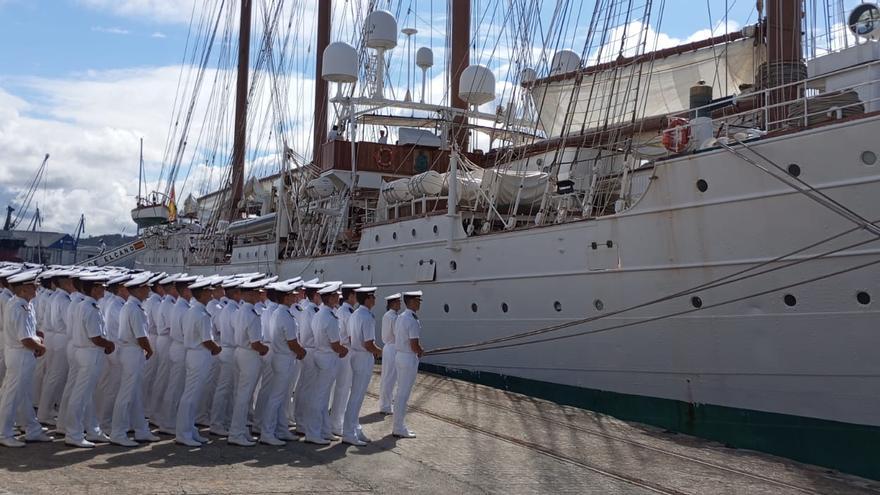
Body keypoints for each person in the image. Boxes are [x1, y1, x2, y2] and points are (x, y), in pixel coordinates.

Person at [0, 269, 52, 448]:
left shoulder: (23, 304)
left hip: (21, 354)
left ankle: (32, 429)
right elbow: (24, 339)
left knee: (23, 395)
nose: (36, 288)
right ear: (22, 289)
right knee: (12, 395)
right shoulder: (19, 307)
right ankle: (4, 433)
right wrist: (40, 347)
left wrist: (37, 337)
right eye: (32, 286)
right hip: (20, 355)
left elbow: (28, 332)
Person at [64, 274, 115, 448]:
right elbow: (95, 337)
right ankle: (73, 433)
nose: (104, 290)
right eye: (101, 287)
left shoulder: (82, 304)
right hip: (90, 353)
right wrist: (109, 344)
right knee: (81, 395)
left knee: (86, 395)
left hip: (84, 352)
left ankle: (93, 430)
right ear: (93, 289)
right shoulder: (91, 307)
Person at [110, 272, 159, 447]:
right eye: (146, 288)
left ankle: (141, 430)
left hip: (130, 351)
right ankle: (118, 432)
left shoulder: (131, 306)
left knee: (136, 394)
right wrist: (149, 350)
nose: (149, 291)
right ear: (138, 290)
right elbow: (141, 336)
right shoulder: (134, 308)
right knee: (126, 395)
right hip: (132, 352)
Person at [176, 278, 222, 447]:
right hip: (200, 354)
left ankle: (190, 429)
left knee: (192, 395)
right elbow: (206, 340)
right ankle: (183, 433)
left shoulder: (191, 311)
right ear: (202, 294)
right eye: (208, 291)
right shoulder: (201, 314)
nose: (211, 294)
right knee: (191, 396)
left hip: (193, 354)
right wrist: (217, 349)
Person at [260, 280, 306, 445]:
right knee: (276, 397)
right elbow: (292, 342)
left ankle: (280, 429)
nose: (295, 297)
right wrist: (303, 353)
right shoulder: (285, 315)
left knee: (281, 396)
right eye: (292, 295)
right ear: (285, 298)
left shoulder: (279, 312)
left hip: (281, 357)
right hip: (284, 358)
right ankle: (267, 432)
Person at [302, 282, 348, 445]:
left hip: (320, 354)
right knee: (320, 398)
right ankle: (313, 433)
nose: (338, 298)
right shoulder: (330, 318)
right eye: (336, 296)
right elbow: (335, 344)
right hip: (328, 357)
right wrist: (344, 351)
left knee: (322, 396)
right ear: (330, 298)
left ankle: (324, 429)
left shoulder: (319, 314)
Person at [228, 278, 269, 447]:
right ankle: (236, 432)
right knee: (244, 396)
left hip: (239, 352)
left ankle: (240, 429)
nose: (259, 295)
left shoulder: (238, 311)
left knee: (241, 394)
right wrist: (265, 350)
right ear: (250, 294)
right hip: (250, 355)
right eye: (257, 293)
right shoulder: (252, 314)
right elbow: (256, 343)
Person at [342, 287, 382, 446]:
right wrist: (380, 352)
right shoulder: (367, 317)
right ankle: (348, 433)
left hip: (355, 355)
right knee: (356, 396)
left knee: (356, 395)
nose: (375, 300)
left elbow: (352, 338)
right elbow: (369, 344)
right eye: (373, 297)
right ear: (367, 299)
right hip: (364, 357)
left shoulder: (355, 314)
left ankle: (355, 428)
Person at [157, 275, 197, 435]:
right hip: (180, 347)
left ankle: (172, 420)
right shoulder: (180, 308)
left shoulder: (180, 306)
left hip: (179, 346)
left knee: (177, 387)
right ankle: (167, 422)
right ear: (186, 290)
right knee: (175, 387)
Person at [209, 278, 243, 436]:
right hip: (230, 350)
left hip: (227, 349)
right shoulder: (233, 311)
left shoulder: (225, 309)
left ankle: (225, 420)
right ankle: (216, 423)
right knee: (224, 389)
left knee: (228, 389)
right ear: (236, 294)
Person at [329, 283, 360, 436]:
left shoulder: (342, 310)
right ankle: (336, 423)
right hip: (346, 351)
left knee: (341, 388)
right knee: (342, 389)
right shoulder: (348, 313)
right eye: (355, 294)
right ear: (351, 296)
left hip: (344, 352)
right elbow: (351, 336)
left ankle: (336, 421)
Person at [147, 274, 179, 420]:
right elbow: (173, 327)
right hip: (162, 339)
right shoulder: (160, 303)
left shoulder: (162, 302)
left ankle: (154, 410)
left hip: (161, 339)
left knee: (161, 376)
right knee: (161, 377)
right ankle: (154, 411)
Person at [392, 290, 423, 439]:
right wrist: (420, 351)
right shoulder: (412, 320)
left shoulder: (401, 317)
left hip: (399, 356)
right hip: (408, 357)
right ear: (411, 301)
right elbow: (414, 345)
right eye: (418, 300)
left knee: (400, 392)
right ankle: (398, 427)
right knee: (403, 394)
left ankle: (398, 425)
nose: (419, 303)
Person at [292, 280, 322, 434]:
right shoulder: (311, 311)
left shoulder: (309, 310)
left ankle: (301, 419)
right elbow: (315, 333)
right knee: (307, 388)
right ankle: (301, 421)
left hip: (309, 350)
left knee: (304, 387)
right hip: (310, 350)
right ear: (316, 295)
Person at [378, 293, 401, 414]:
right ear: (393, 303)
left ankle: (384, 403)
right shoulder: (395, 317)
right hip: (393, 348)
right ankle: (386, 405)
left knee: (386, 376)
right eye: (398, 302)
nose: (400, 304)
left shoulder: (386, 315)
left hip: (387, 347)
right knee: (391, 378)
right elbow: (399, 335)